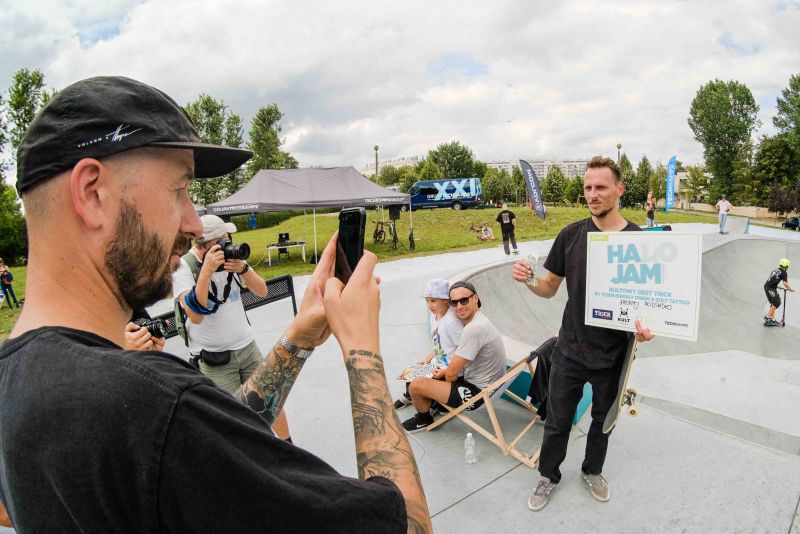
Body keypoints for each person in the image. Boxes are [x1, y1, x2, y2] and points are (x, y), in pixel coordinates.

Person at [0, 76, 431, 533]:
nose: (191, 222)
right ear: (92, 193)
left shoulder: (17, 380)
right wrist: (362, 350)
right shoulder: (153, 406)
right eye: (178, 190)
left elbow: (209, 435)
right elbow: (410, 526)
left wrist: (300, 335)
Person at [511, 156, 654, 511]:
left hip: (614, 355)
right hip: (570, 350)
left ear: (619, 189)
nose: (593, 194)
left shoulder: (639, 240)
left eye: (601, 187)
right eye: (588, 187)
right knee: (557, 420)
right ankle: (548, 475)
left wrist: (649, 329)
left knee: (603, 422)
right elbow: (548, 288)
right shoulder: (571, 235)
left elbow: (651, 304)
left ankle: (592, 470)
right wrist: (529, 280)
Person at [171, 214, 293, 439]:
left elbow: (262, 291)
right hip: (215, 359)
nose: (229, 245)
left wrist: (243, 269)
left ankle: (290, 450)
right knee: (232, 418)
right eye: (223, 242)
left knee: (271, 400)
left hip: (247, 347)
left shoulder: (232, 263)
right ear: (204, 245)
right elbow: (196, 317)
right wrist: (207, 271)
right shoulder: (184, 268)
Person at [401, 281, 506, 433]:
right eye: (454, 302)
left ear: (475, 298)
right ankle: (435, 404)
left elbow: (451, 375)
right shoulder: (480, 320)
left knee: (415, 385)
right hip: (494, 386)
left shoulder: (473, 329)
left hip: (477, 394)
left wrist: (440, 378)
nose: (459, 306)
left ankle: (424, 419)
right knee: (429, 373)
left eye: (464, 300)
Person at [394, 279, 464, 409]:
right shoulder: (434, 316)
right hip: (437, 364)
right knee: (411, 375)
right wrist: (426, 360)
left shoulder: (452, 322)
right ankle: (410, 395)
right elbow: (439, 344)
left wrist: (446, 371)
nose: (429, 305)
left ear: (445, 300)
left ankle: (430, 403)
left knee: (418, 384)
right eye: (427, 300)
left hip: (450, 372)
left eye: (433, 301)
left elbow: (463, 351)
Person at [764, 258, 795, 325]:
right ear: (786, 266)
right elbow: (785, 283)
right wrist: (791, 289)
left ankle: (772, 319)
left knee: (773, 303)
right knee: (777, 302)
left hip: (766, 286)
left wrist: (778, 286)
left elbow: (771, 280)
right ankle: (767, 317)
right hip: (771, 288)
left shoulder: (775, 270)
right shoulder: (784, 272)